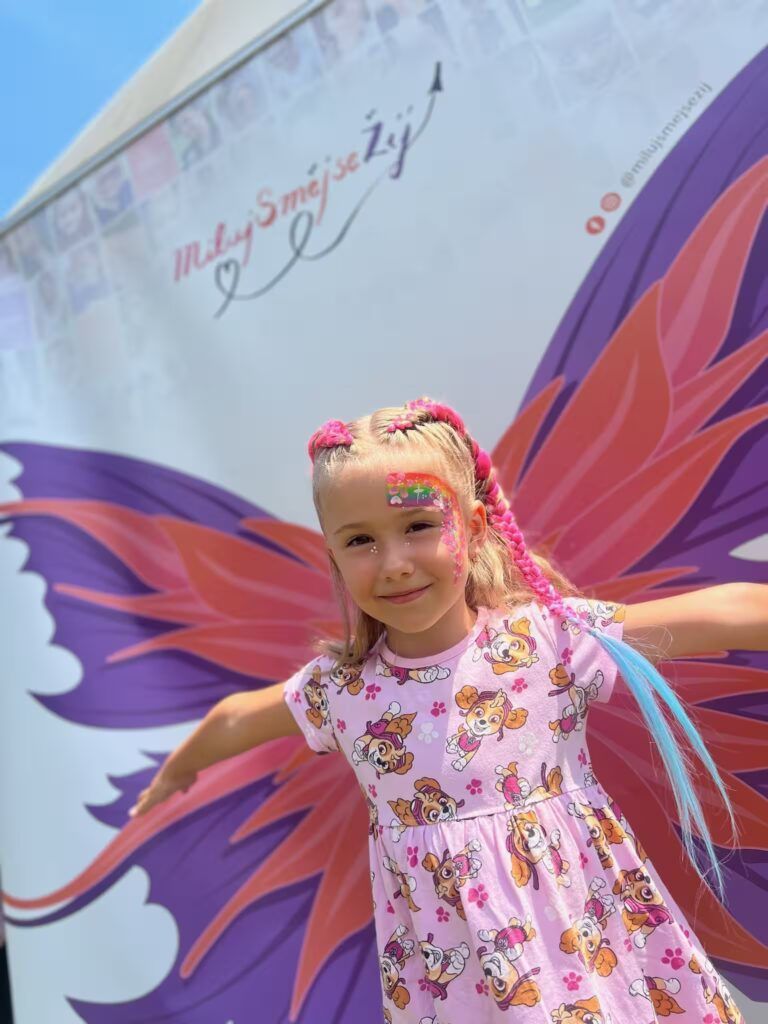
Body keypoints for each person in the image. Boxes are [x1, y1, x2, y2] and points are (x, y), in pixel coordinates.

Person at [129, 396, 762, 1022]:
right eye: (360, 540)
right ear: (333, 556)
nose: (394, 563)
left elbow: (726, 611)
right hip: (463, 991)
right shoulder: (341, 692)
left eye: (418, 526)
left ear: (475, 527)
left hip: (590, 954)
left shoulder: (545, 643)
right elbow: (234, 718)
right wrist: (177, 772)